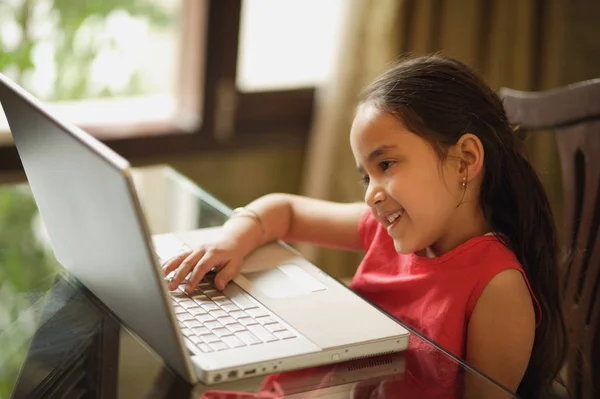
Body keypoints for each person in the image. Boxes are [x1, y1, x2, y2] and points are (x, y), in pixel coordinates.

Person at [162, 55, 567, 398]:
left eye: (385, 165)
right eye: (366, 177)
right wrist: (231, 240)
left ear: (464, 159)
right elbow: (283, 210)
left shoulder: (497, 287)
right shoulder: (389, 230)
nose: (372, 194)